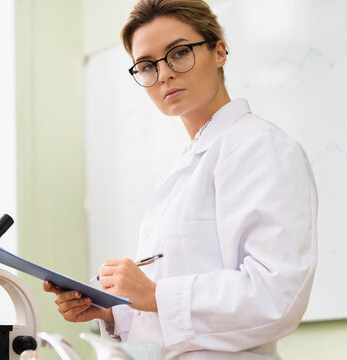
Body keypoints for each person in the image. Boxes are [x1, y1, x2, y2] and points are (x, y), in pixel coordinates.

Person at [43, 0, 318, 358]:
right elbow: (180, 312)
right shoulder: (187, 164)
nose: (165, 74)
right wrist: (117, 310)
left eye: (179, 53)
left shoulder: (262, 148)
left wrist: (153, 295)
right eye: (146, 65)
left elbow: (275, 297)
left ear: (219, 51)